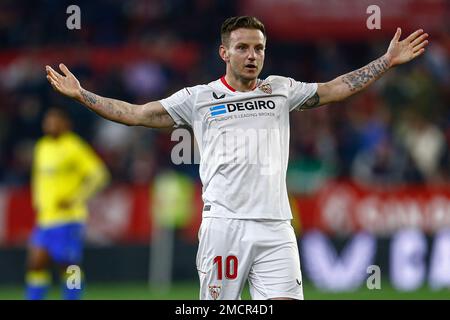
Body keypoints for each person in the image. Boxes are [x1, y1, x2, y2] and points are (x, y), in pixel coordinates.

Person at [45, 16, 429, 300]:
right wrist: (83, 96)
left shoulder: (281, 89)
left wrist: (385, 62)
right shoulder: (198, 98)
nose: (252, 55)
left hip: (277, 227)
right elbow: (136, 114)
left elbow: (335, 88)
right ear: (224, 52)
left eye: (259, 48)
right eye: (243, 47)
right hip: (225, 227)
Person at [26, 107, 110, 300]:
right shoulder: (42, 146)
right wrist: (37, 201)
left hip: (68, 218)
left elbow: (100, 175)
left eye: (54, 121)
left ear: (65, 124)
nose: (49, 124)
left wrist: (76, 198)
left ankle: (73, 297)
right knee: (36, 262)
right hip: (45, 217)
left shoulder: (74, 146)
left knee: (69, 265)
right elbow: (38, 178)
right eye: (47, 121)